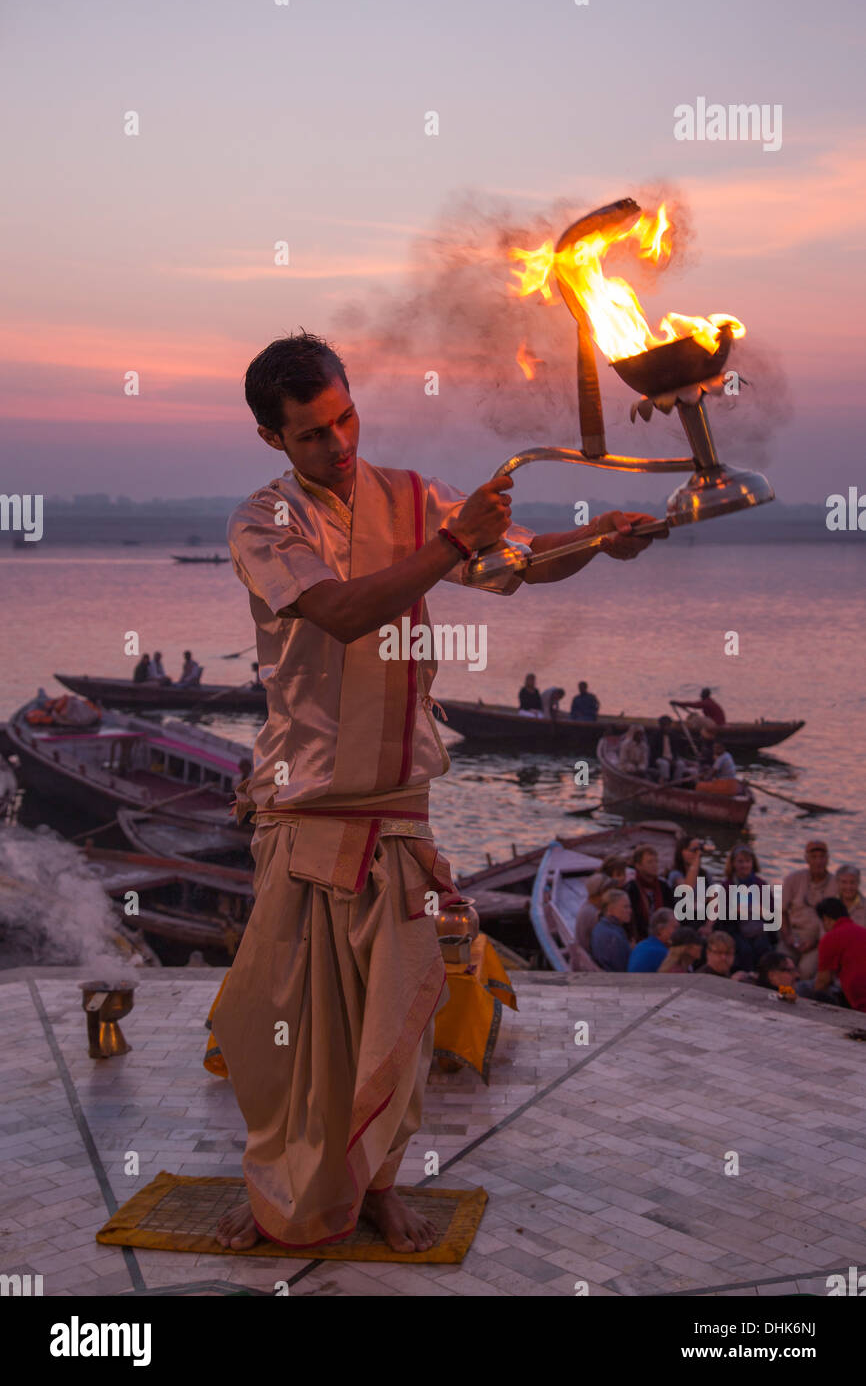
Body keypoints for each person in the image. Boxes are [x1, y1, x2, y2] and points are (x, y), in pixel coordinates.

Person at [211, 330, 665, 1254]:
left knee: (398, 1023)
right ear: (273, 441)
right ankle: (286, 1194)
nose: (338, 447)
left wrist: (599, 540)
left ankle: (375, 1187)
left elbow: (516, 564)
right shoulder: (263, 522)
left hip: (397, 812)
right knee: (295, 1025)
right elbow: (339, 614)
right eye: (311, 435)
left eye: (345, 420)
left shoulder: (410, 498)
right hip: (304, 809)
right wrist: (458, 539)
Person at [781, 840, 839, 979]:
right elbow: (780, 911)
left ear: (828, 859)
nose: (818, 861)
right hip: (793, 935)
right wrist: (788, 936)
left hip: (819, 941)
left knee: (805, 971)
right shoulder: (793, 879)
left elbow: (837, 921)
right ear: (806, 859)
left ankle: (799, 998)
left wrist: (815, 942)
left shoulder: (836, 884)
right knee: (780, 967)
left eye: (822, 857)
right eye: (814, 857)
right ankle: (783, 996)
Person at [798, 897, 866, 1012]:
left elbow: (822, 982)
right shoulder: (862, 931)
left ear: (826, 919)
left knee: (802, 988)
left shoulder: (830, 938)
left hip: (858, 1002)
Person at [719, 843, 773, 971]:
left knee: (763, 947)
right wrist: (736, 910)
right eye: (740, 861)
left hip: (758, 926)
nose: (744, 865)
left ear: (753, 863)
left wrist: (759, 910)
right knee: (744, 950)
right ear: (733, 864)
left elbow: (771, 913)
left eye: (748, 861)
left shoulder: (760, 884)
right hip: (736, 927)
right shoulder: (727, 885)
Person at [626, 845, 675, 941]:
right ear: (638, 865)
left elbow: (672, 909)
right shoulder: (631, 888)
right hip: (640, 937)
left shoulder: (663, 886)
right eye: (650, 862)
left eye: (656, 861)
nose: (655, 865)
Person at [571, 872, 612, 968]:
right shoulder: (593, 914)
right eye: (609, 890)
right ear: (601, 893)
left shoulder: (588, 906)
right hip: (593, 964)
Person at [589, 890, 633, 972]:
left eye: (629, 907)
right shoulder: (613, 938)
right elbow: (622, 970)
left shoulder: (601, 926)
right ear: (610, 910)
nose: (630, 911)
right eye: (625, 907)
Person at [628, 907, 677, 972]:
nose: (678, 932)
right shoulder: (661, 953)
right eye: (675, 927)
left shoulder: (640, 946)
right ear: (660, 929)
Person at [647, 715, 681, 782]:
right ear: (661, 726)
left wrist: (674, 758)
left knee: (681, 764)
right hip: (658, 758)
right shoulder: (655, 736)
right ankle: (664, 781)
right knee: (665, 764)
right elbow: (654, 752)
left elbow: (675, 750)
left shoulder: (673, 736)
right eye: (665, 725)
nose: (667, 727)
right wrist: (666, 758)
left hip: (671, 758)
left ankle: (676, 782)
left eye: (668, 725)